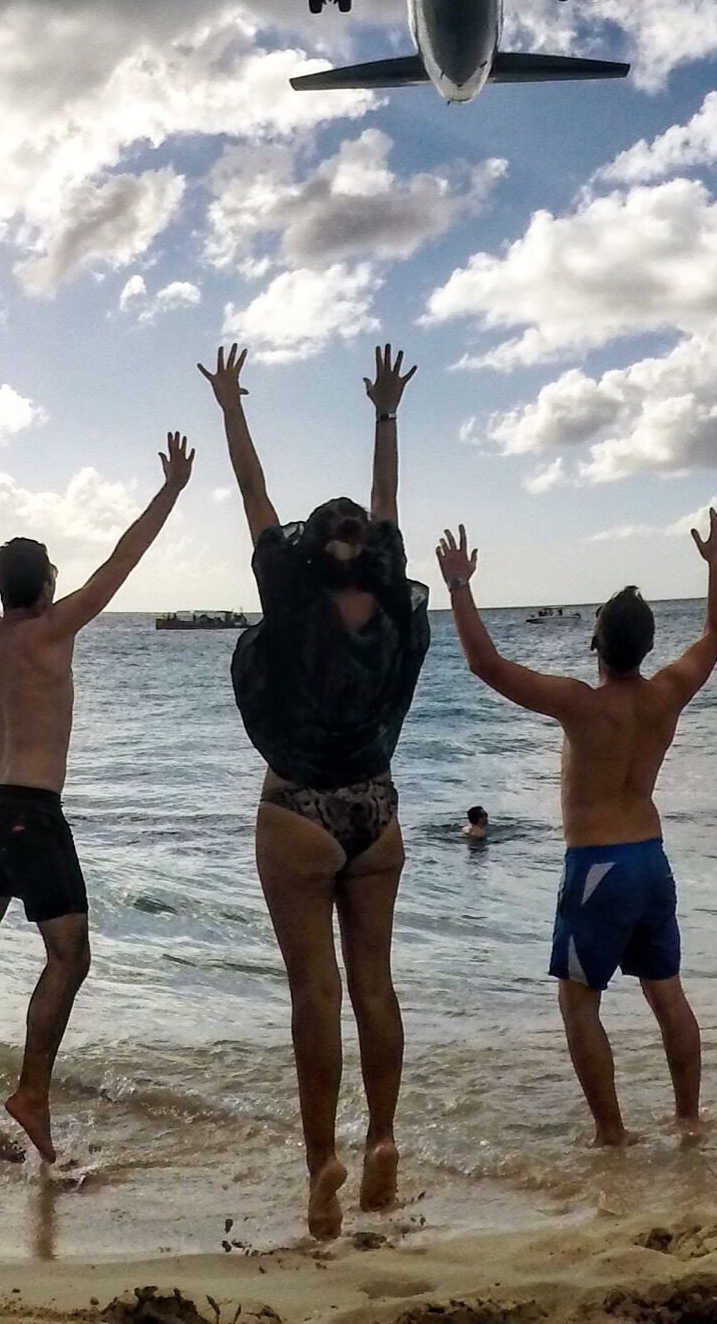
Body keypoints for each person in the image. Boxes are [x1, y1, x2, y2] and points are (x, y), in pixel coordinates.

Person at [0, 437, 194, 1161]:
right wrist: (170, 491)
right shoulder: (53, 631)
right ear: (46, 587)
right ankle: (31, 1093)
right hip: (28, 811)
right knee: (70, 956)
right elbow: (121, 562)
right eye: (54, 575)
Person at [200, 341, 430, 1241]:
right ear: (368, 555)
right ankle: (381, 1138)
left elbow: (255, 493)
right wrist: (384, 412)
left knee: (315, 996)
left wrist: (231, 405)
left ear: (308, 554)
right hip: (377, 813)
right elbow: (389, 504)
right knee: (376, 986)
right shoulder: (390, 610)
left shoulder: (291, 604)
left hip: (296, 811)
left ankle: (320, 1165)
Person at [434, 516, 717, 1147]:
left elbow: (486, 664)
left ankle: (611, 1135)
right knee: (666, 993)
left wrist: (459, 587)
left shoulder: (579, 704)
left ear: (595, 641)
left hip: (597, 866)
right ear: (648, 646)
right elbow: (715, 633)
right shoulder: (668, 693)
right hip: (652, 860)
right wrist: (716, 562)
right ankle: (687, 1121)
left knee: (577, 1003)